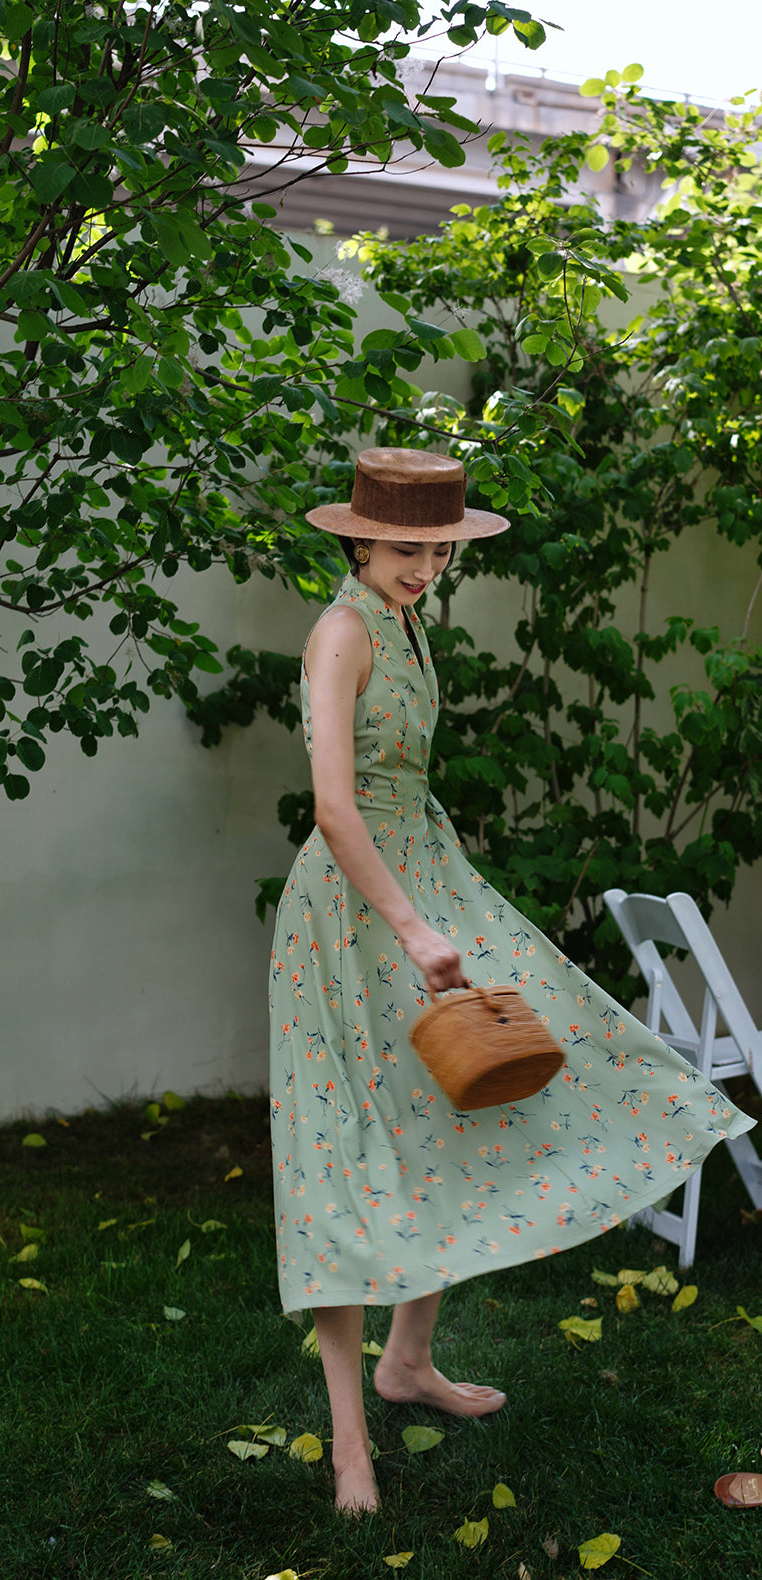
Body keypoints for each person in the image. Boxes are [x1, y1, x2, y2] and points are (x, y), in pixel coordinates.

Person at [268, 447, 755, 1515]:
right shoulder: (341, 632)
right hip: (354, 910)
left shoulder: (405, 621)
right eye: (404, 547)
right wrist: (413, 928)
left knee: (470, 1097)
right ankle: (350, 1437)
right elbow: (336, 808)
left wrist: (438, 908)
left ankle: (410, 1361)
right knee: (344, 1156)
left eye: (438, 548)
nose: (424, 566)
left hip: (424, 880)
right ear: (355, 538)